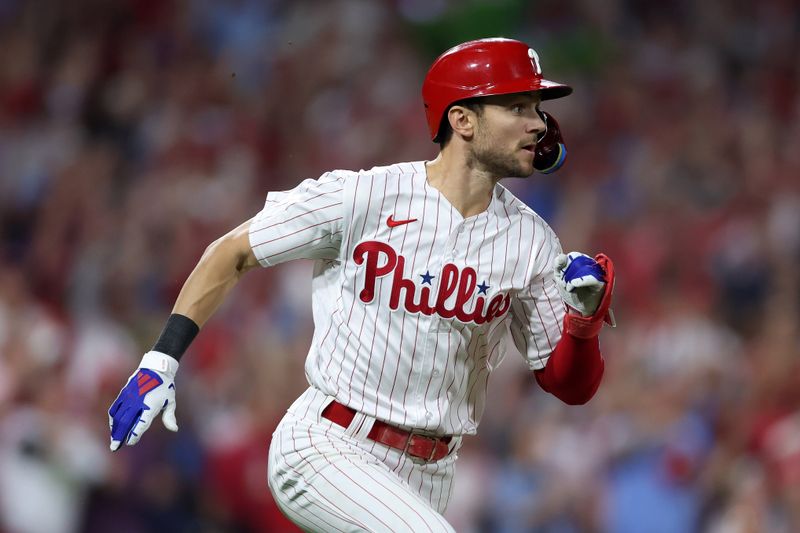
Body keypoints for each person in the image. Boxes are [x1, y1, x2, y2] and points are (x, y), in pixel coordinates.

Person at [108, 37, 616, 532]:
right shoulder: (366, 196)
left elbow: (568, 386)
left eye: (537, 109)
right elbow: (233, 251)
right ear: (462, 119)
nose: (539, 124)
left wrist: (585, 322)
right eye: (519, 107)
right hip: (328, 443)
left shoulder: (532, 241)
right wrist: (161, 359)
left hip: (432, 474)